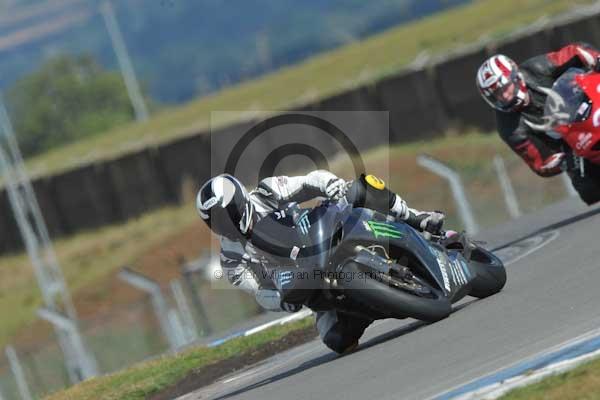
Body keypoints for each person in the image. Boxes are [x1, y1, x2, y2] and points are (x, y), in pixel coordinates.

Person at [196, 170, 445, 353]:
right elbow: (259, 292)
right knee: (337, 341)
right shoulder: (231, 260)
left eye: (227, 213)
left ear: (240, 200)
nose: (224, 223)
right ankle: (375, 303)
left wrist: (333, 186)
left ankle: (416, 218)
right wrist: (283, 302)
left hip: (323, 232)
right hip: (307, 281)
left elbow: (309, 181)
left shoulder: (267, 192)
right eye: (216, 221)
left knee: (361, 187)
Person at [476, 42, 600, 204]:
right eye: (497, 95)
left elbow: (574, 51)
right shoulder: (509, 128)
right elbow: (540, 164)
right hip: (570, 143)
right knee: (588, 190)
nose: (505, 96)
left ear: (516, 77)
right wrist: (565, 160)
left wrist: (596, 59)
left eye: (504, 88)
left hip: (588, 102)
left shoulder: (536, 68)